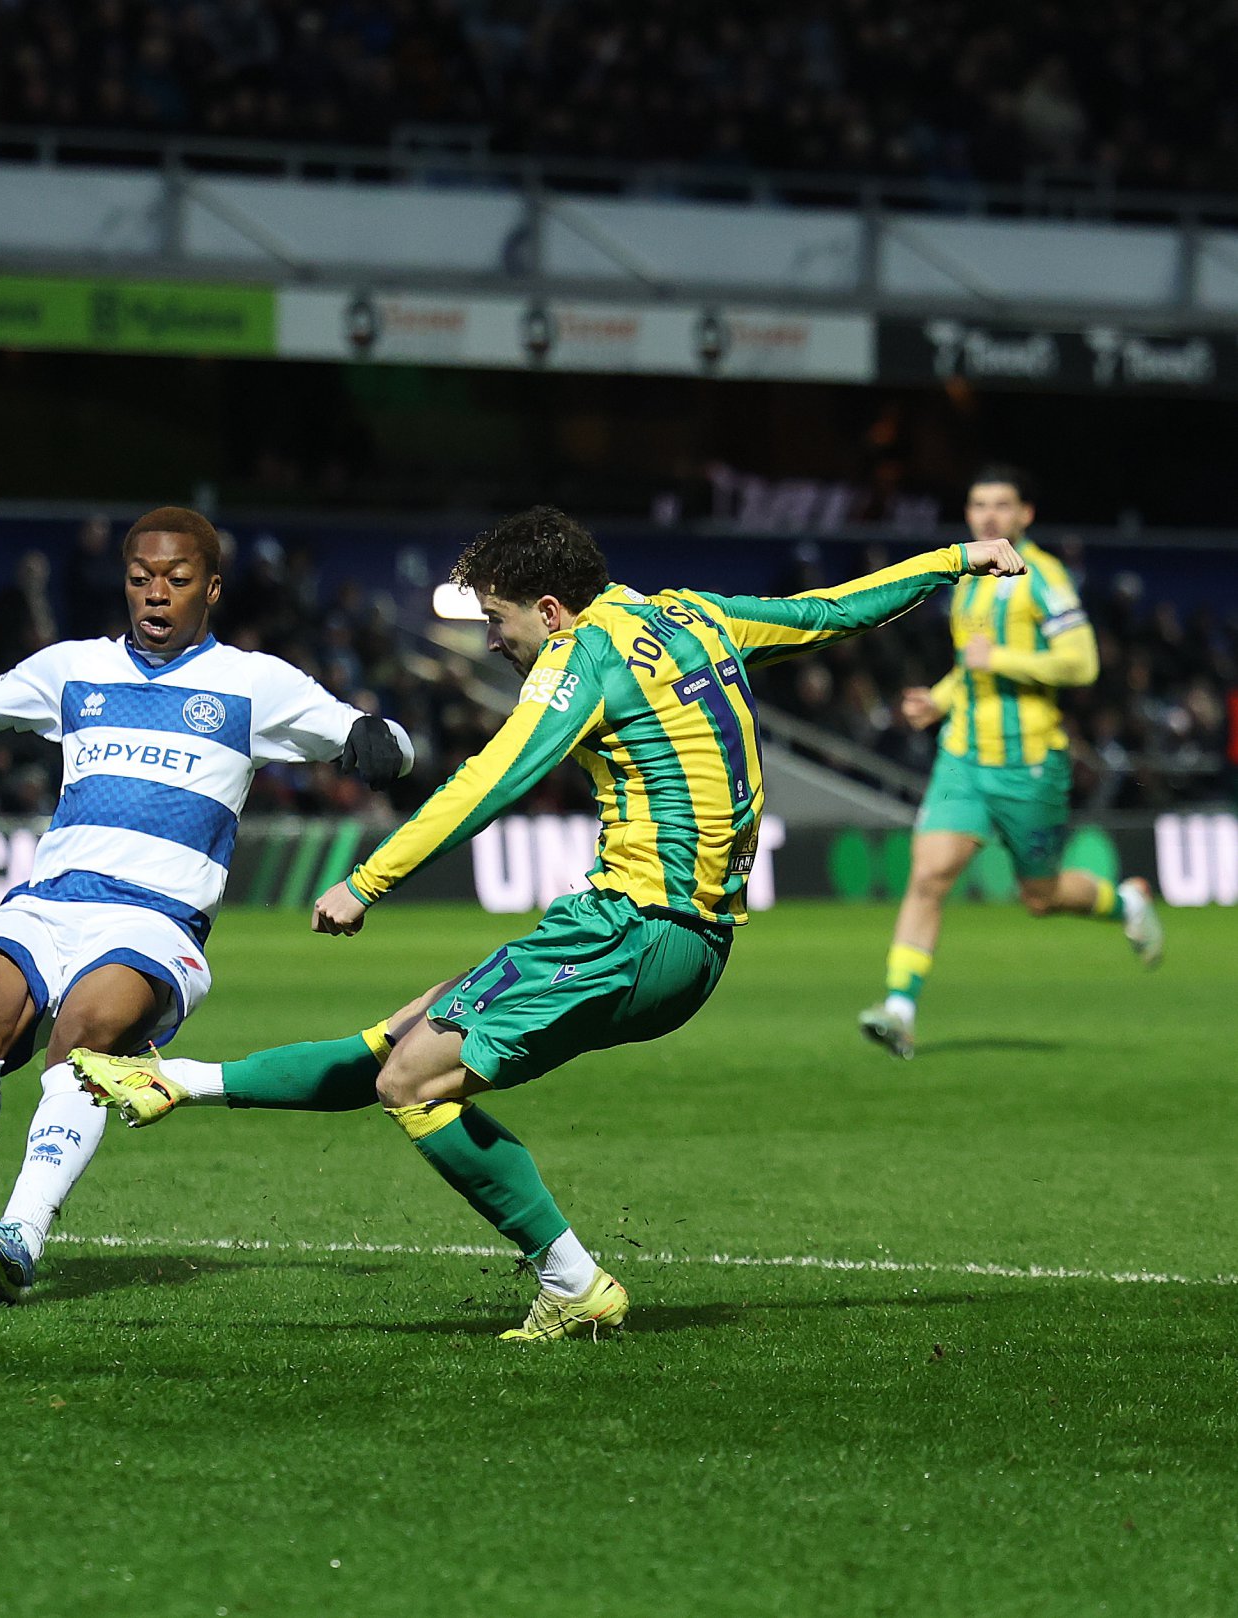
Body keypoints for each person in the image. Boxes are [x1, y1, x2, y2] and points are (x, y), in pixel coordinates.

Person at [72, 508, 1029, 1340]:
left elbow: (496, 776)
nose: (493, 641)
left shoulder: (583, 659)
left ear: (553, 610)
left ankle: (574, 1283)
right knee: (399, 1044)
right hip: (663, 934)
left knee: (412, 1081)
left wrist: (369, 878)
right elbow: (832, 610)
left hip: (637, 925)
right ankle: (172, 1083)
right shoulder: (690, 612)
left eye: (496, 619)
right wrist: (954, 560)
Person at [0, 506, 413, 1305]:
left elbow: (374, 735)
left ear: (210, 588)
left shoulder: (253, 683)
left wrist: (380, 740)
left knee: (87, 1033)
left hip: (155, 920)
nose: (155, 593)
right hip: (49, 902)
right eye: (141, 578)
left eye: (176, 580)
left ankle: (23, 1235)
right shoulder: (74, 668)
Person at [859, 466, 1163, 1059]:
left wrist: (1001, 655)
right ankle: (899, 1009)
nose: (989, 516)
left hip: (1029, 764)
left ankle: (1127, 903)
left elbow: (1083, 664)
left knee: (1040, 896)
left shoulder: (1044, 579)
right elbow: (970, 666)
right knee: (928, 876)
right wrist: (938, 700)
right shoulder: (969, 581)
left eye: (1002, 505)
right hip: (962, 760)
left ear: (1026, 515)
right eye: (978, 505)